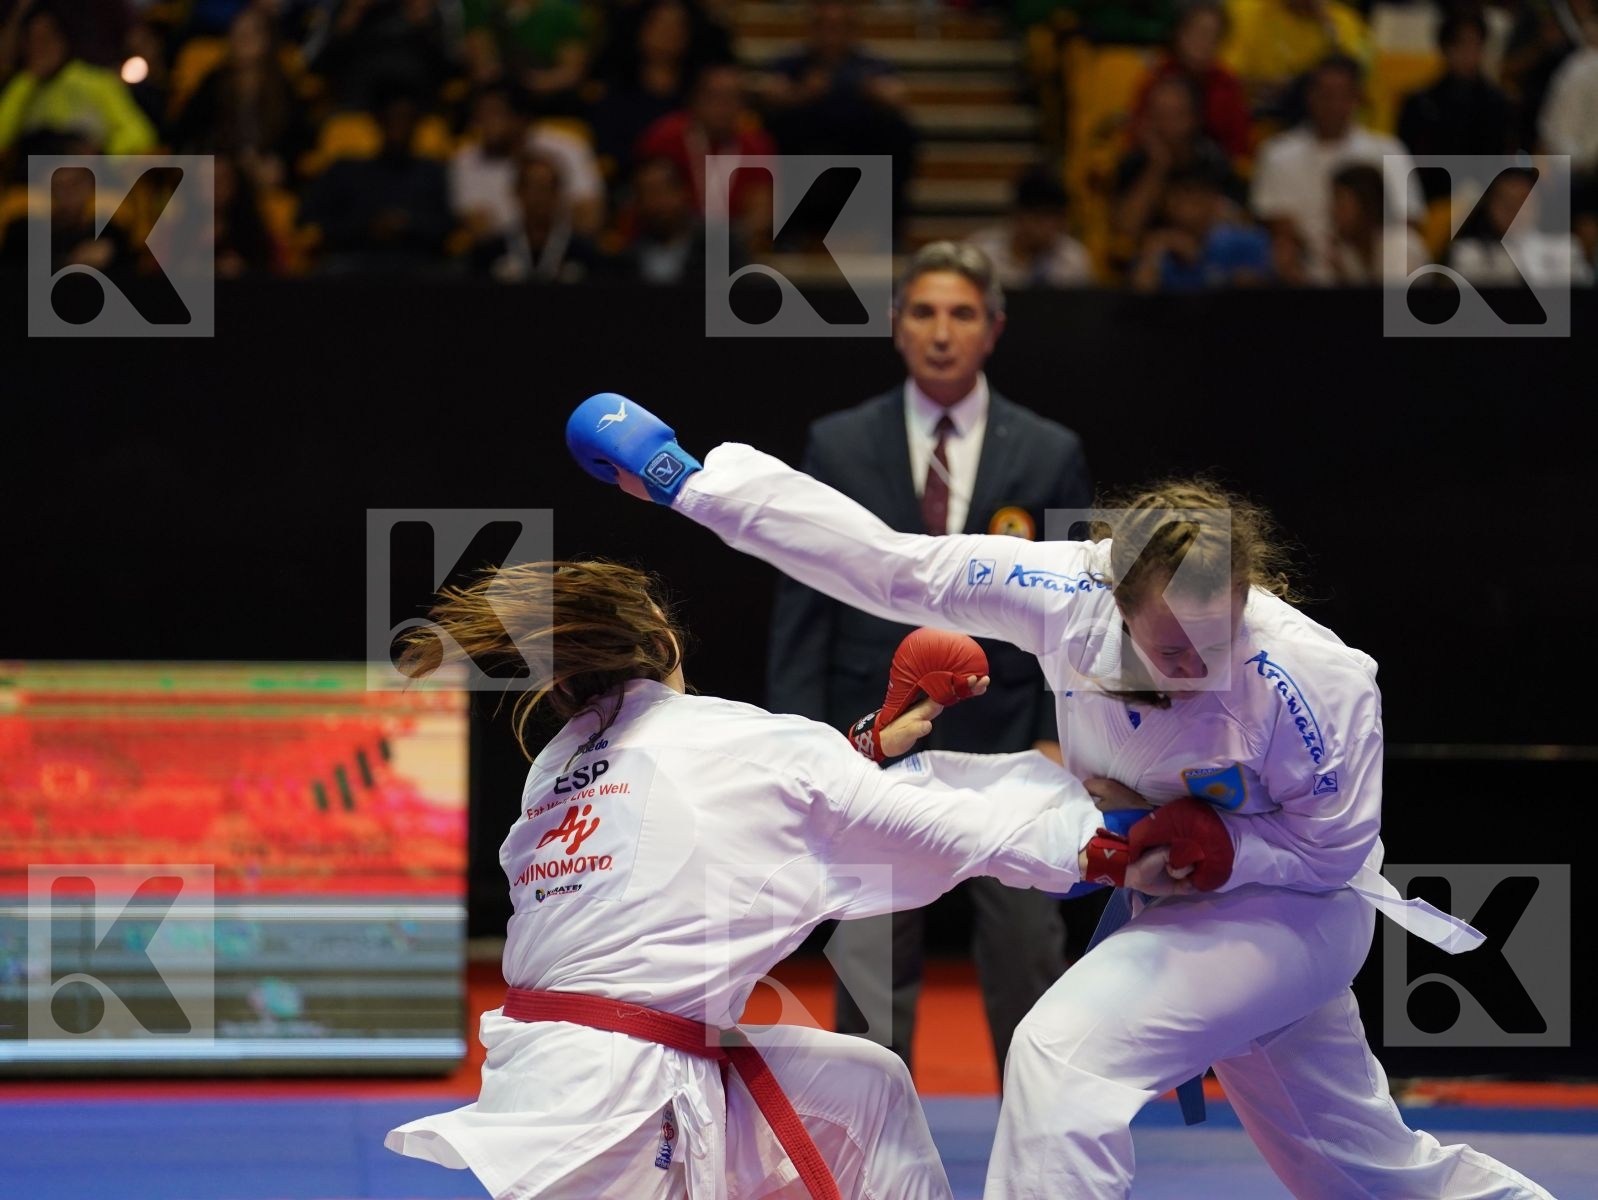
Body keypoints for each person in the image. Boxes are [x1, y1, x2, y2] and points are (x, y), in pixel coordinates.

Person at [570, 396, 1554, 1200]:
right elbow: (887, 566)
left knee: (1059, 1059)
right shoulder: (1061, 589)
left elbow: (1334, 857)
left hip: (1288, 909)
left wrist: (1222, 847)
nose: (1196, 664)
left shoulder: (1317, 681)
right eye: (1168, 644)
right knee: (1362, 1177)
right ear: (1115, 598)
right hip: (1167, 885)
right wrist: (691, 484)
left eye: (1216, 637)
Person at [382, 559, 1119, 1199]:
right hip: (626, 1103)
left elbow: (727, 811)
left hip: (542, 1072)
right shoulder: (738, 740)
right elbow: (935, 826)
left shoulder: (559, 766)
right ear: (667, 643)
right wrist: (1102, 847)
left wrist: (857, 749)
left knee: (867, 1089)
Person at [766, 241, 1092, 1081]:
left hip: (1014, 743)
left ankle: (1042, 1141)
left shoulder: (1049, 451)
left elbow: (1080, 610)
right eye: (923, 312)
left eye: (961, 314)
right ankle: (865, 1155)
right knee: (869, 964)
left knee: (1029, 961)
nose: (941, 332)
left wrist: (1067, 732)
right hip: (870, 744)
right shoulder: (837, 446)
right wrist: (807, 743)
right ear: (895, 325)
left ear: (993, 329)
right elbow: (804, 605)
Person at [1250, 55, 1418, 285]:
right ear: (1310, 97)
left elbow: (1405, 220)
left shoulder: (1389, 150)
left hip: (1377, 272)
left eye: (1343, 96)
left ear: (1357, 99)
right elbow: (1280, 230)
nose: (1333, 105)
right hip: (1307, 276)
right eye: (1325, 95)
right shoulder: (1277, 153)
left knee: (1405, 244)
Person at [0, 4, 156, 166]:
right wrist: (28, 81)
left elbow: (139, 135)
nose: (42, 48)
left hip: (89, 177)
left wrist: (102, 155)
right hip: (33, 182)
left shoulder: (96, 81)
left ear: (63, 38)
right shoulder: (21, 87)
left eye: (47, 38)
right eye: (35, 41)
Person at [1397, 11, 1515, 179]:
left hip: (1481, 194)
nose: (1469, 54)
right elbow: (1407, 164)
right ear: (1445, 49)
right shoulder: (1420, 104)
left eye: (1476, 45)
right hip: (1430, 194)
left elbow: (1499, 161)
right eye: (1461, 45)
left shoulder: (1497, 103)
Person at [1130, 0, 1252, 161]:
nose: (1203, 43)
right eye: (1197, 32)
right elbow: (1137, 135)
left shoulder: (1227, 84)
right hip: (1157, 163)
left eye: (1212, 35)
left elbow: (1239, 146)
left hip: (1214, 172)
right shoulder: (1157, 79)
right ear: (1179, 33)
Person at [1130, 161, 1272, 290]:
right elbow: (1140, 299)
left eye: (1191, 195)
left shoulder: (1246, 242)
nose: (1182, 206)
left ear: (1212, 200)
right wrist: (1152, 255)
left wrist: (1199, 260)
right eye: (1175, 196)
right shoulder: (1159, 245)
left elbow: (1262, 292)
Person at [965, 167, 1094, 288]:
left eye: (1056, 218)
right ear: (1017, 215)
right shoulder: (982, 255)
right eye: (1039, 217)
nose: (1047, 227)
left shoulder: (1074, 258)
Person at [1325, 161, 1429, 286]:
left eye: (1341, 204)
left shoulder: (1401, 246)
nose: (1333, 212)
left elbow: (1391, 303)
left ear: (1367, 206)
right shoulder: (1348, 254)